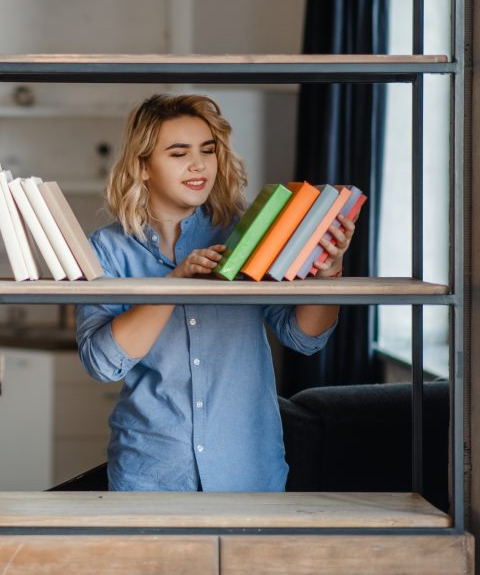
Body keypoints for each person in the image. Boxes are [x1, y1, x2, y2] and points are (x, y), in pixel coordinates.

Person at [75, 93, 355, 492]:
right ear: (142, 167)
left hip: (248, 470)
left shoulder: (247, 233)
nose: (198, 164)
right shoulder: (106, 249)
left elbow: (304, 338)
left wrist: (327, 274)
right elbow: (102, 363)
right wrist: (174, 286)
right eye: (178, 153)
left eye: (208, 150)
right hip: (151, 472)